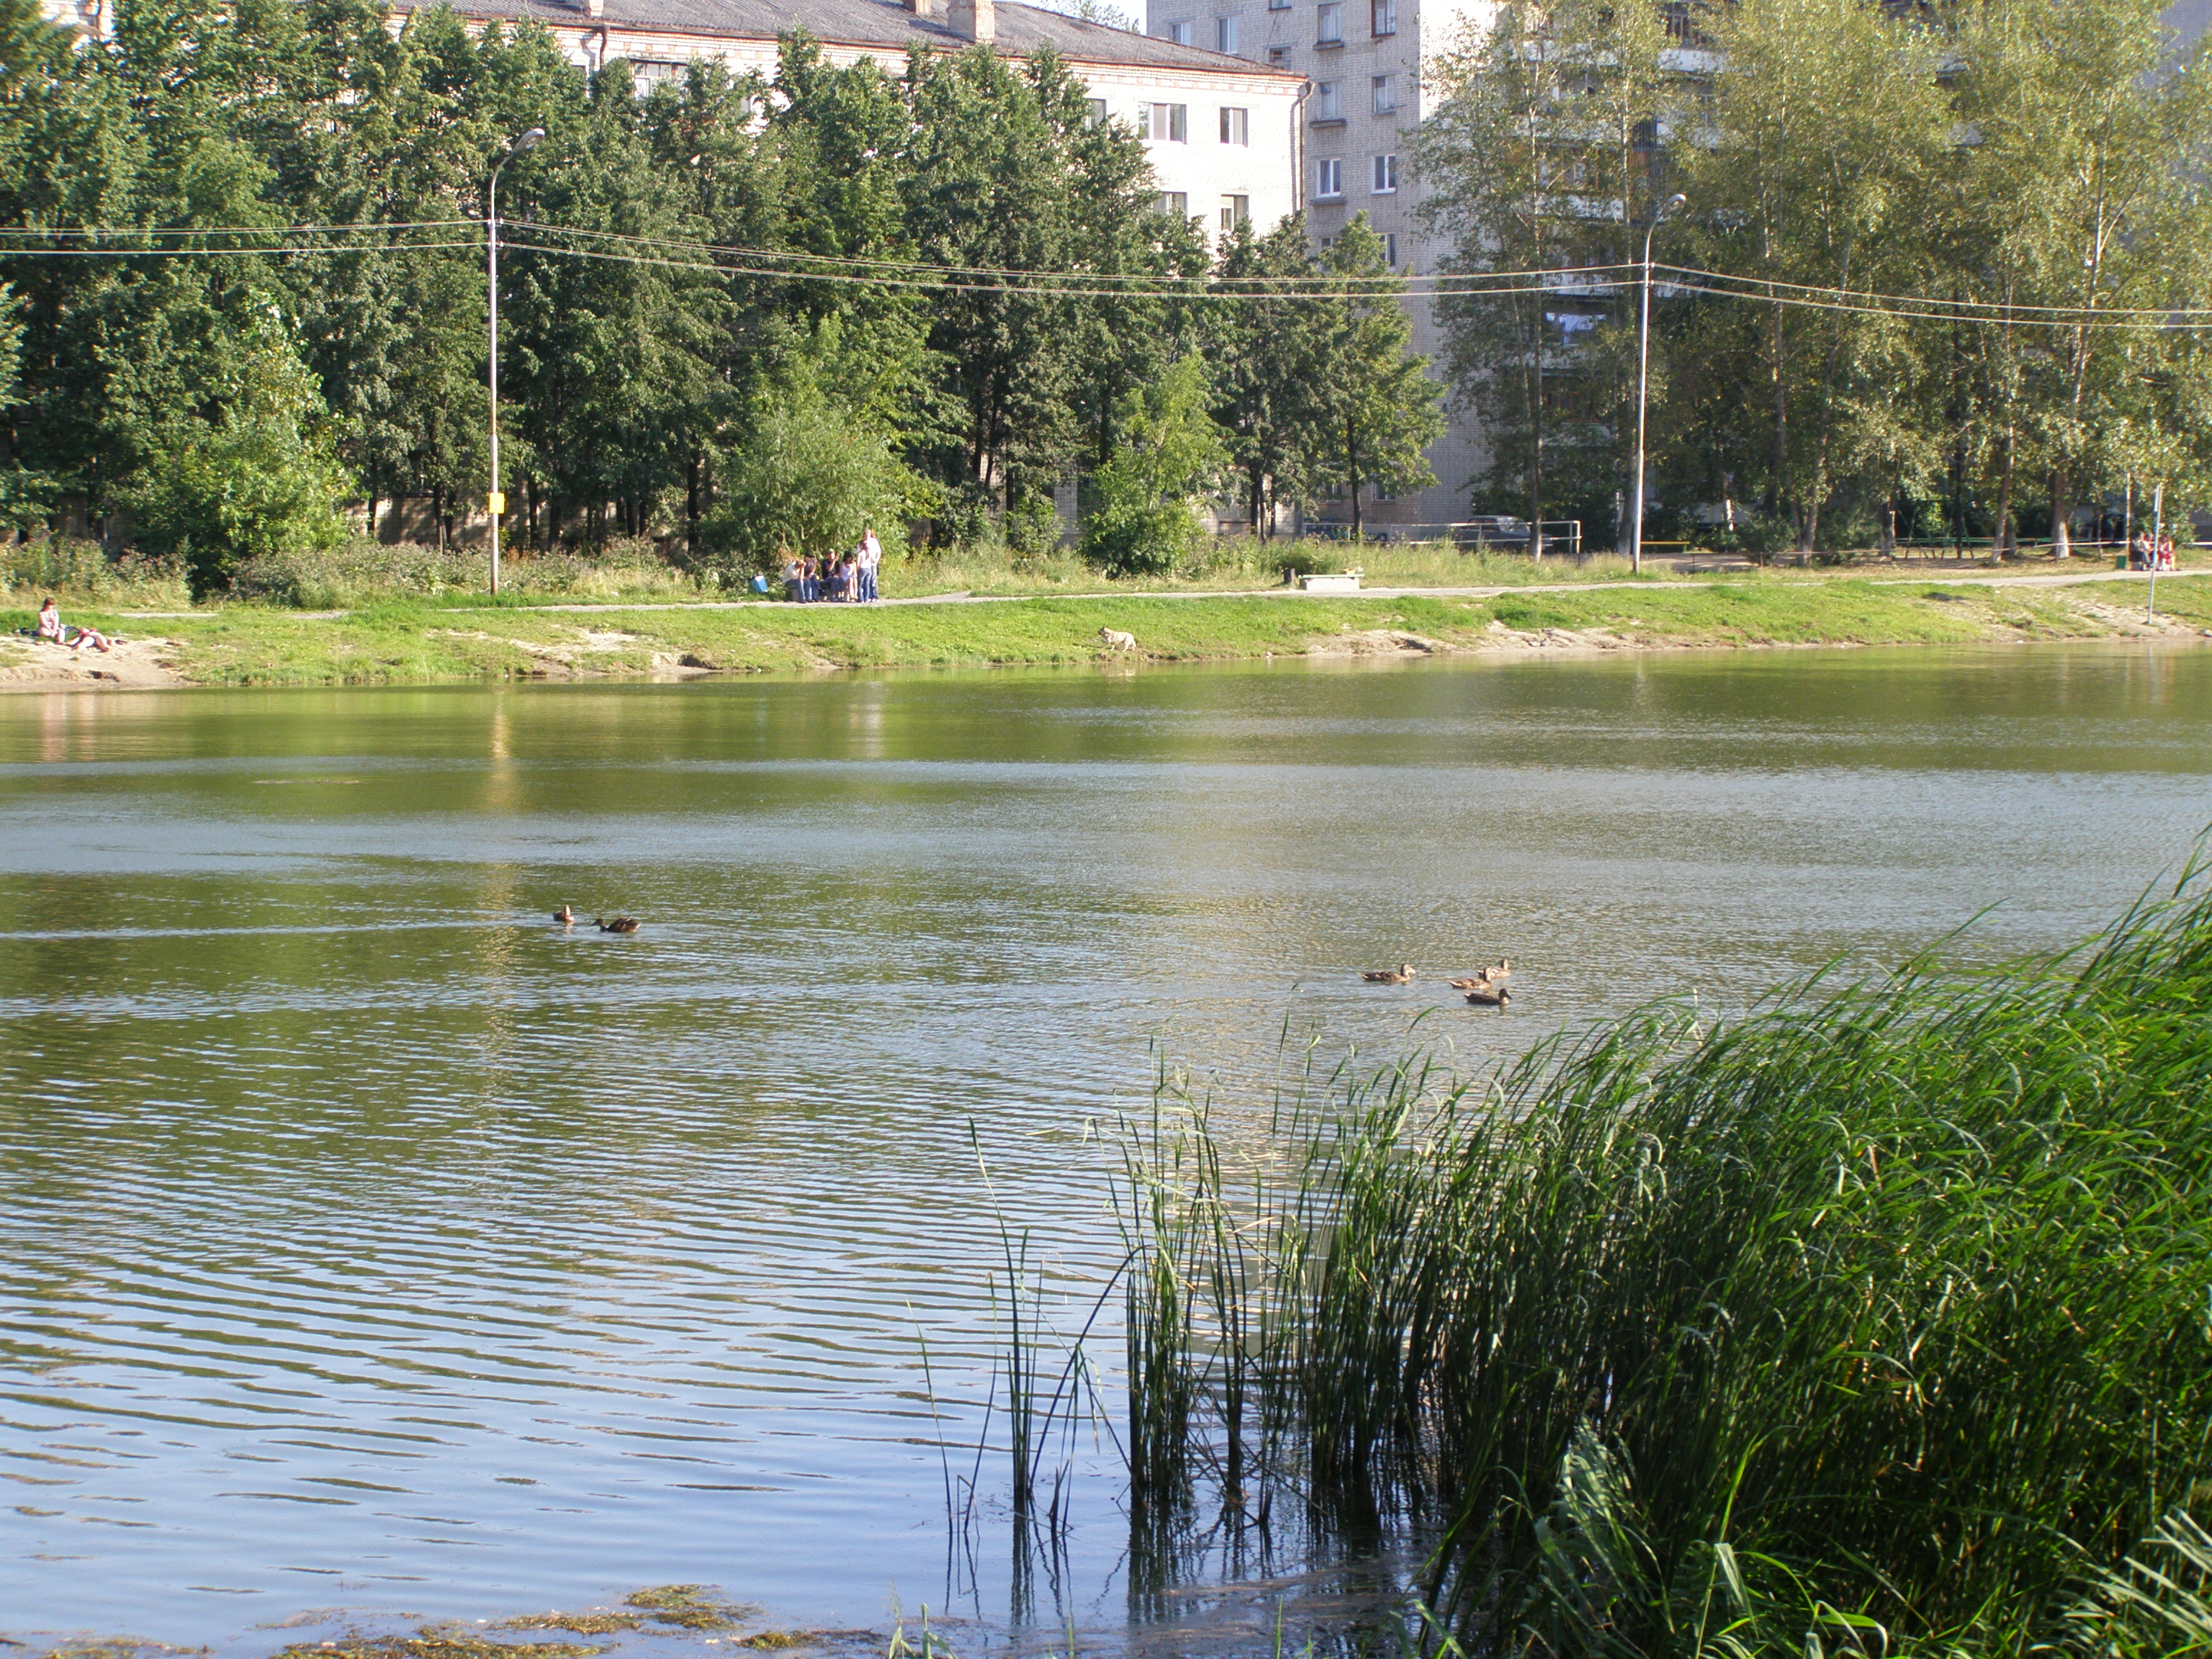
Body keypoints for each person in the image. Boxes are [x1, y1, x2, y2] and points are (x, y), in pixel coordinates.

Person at [35, 597, 112, 653]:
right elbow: (44, 623)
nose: (51, 607)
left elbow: (56, 622)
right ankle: (103, 647)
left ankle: (60, 641)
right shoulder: (42, 613)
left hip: (55, 627)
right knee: (45, 632)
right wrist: (52, 631)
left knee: (61, 630)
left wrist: (54, 630)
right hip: (46, 627)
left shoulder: (54, 612)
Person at [858, 527, 881, 603]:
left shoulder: (874, 541)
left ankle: (874, 595)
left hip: (873, 563)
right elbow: (858, 553)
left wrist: (877, 559)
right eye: (865, 535)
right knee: (866, 581)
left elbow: (879, 551)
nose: (867, 536)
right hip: (865, 565)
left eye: (868, 535)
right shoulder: (861, 543)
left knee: (873, 579)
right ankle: (866, 596)